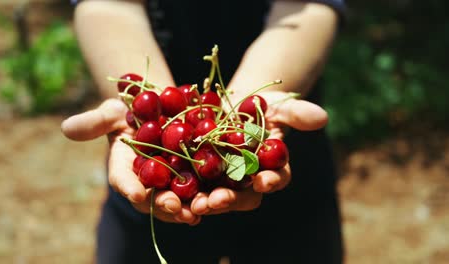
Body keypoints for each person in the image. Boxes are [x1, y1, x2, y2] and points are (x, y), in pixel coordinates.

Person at [61, 0, 347, 263]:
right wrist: (148, 102)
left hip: (288, 188)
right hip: (151, 193)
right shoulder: (152, 155)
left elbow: (308, 6)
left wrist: (263, 92)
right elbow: (110, 5)